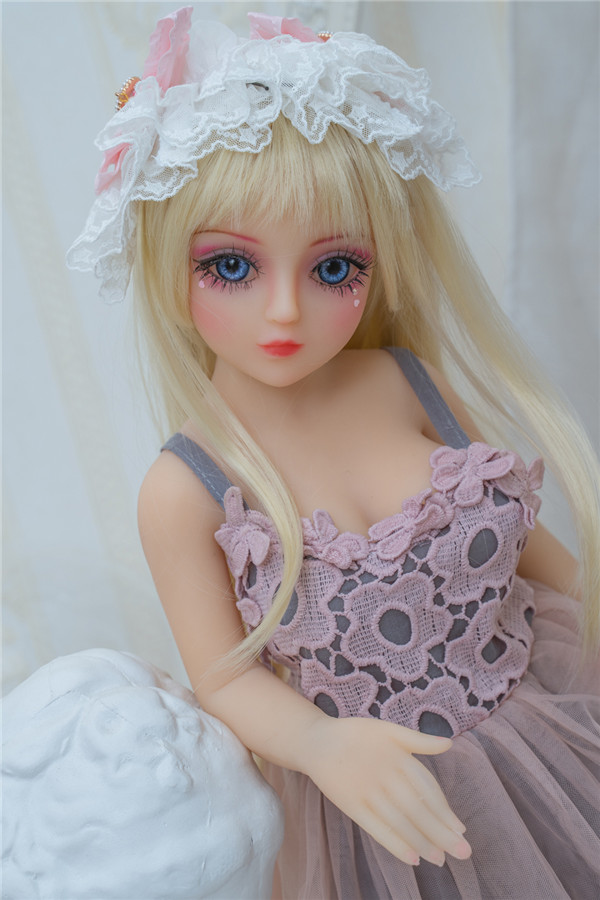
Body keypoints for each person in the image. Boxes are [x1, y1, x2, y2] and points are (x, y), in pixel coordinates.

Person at [68, 8, 600, 898]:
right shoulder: (187, 488)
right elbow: (224, 679)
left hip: (552, 727)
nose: (284, 311)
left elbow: (535, 558)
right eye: (231, 267)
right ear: (168, 263)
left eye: (332, 269)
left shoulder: (406, 380)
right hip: (382, 810)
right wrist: (320, 743)